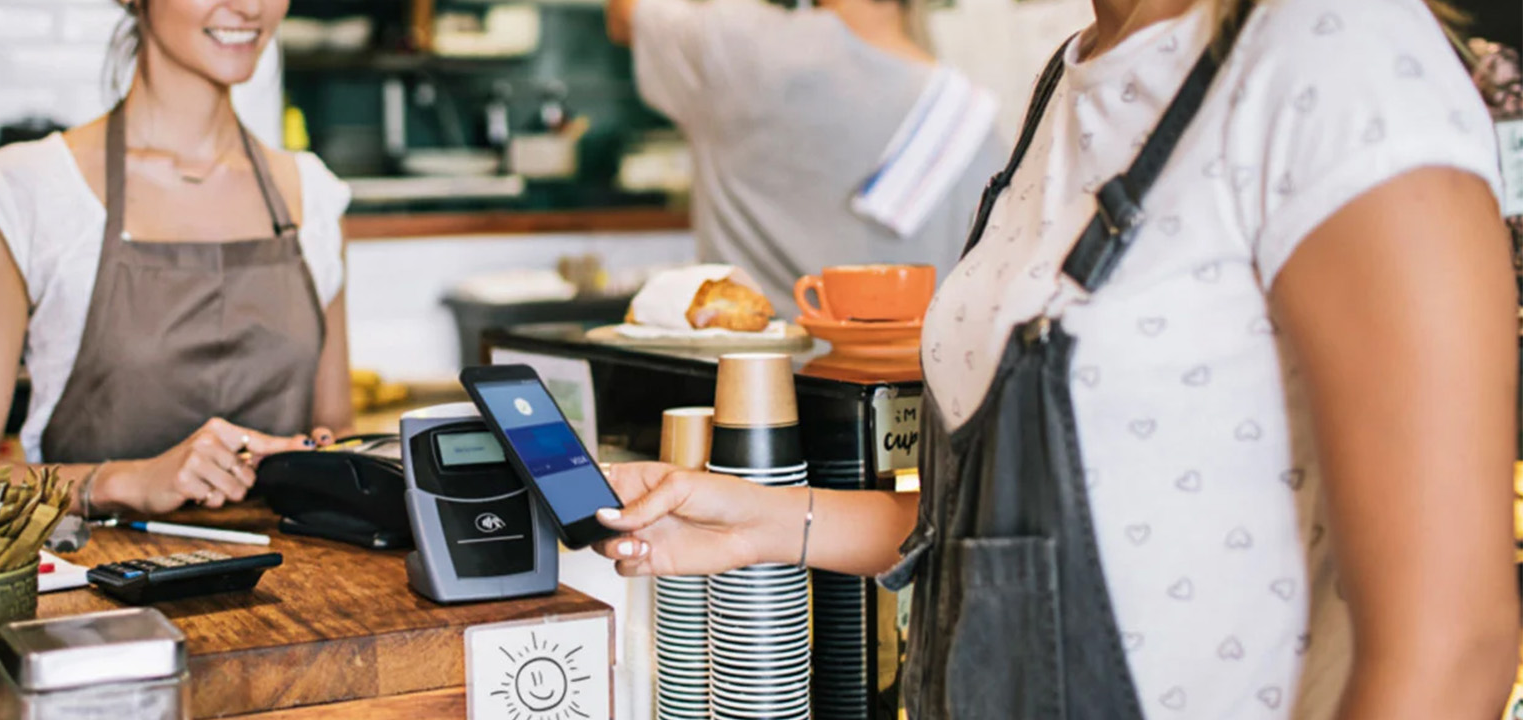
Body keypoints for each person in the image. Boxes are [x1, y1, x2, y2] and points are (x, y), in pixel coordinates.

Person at [594, 0, 1521, 717]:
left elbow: (1450, 653)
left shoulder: (1333, 52)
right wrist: (755, 521)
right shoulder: (1070, 79)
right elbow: (1037, 532)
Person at [0, 0, 354, 517]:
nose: (249, 6)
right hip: (94, 585)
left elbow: (337, 430)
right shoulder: (24, 193)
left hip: (296, 584)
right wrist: (127, 481)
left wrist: (327, 456)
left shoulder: (314, 196)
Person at [606, 0, 1006, 318]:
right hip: (912, 407)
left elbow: (626, 13)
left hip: (751, 399)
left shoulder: (741, 46)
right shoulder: (975, 122)